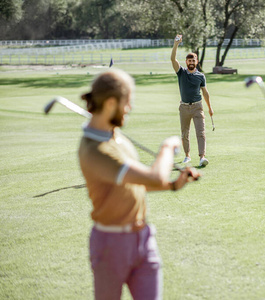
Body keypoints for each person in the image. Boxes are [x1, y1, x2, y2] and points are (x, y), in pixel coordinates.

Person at [78, 69, 200, 300]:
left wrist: (173, 185)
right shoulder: (96, 150)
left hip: (143, 238)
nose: (130, 108)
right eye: (127, 102)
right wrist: (167, 147)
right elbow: (154, 177)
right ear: (112, 102)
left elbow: (139, 182)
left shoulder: (115, 136)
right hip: (110, 244)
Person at [171, 34, 214, 167]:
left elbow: (205, 92)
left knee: (200, 132)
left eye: (193, 60)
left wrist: (210, 108)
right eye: (189, 61)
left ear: (196, 62)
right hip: (184, 107)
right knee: (185, 134)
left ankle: (202, 157)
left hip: (197, 107)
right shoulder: (181, 72)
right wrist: (176, 44)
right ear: (186, 62)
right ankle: (187, 155)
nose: (191, 63)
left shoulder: (200, 76)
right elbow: (172, 59)